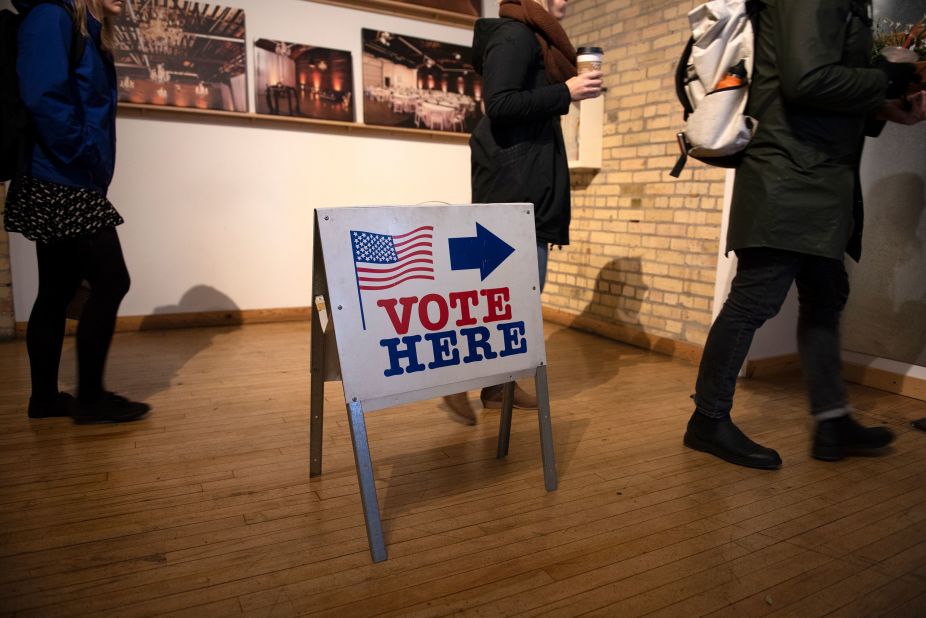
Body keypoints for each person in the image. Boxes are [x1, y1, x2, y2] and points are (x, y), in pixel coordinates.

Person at [683, 0, 926, 468]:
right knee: (754, 300)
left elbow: (822, 87)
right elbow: (806, 81)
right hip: (789, 176)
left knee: (826, 294)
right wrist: (893, 76)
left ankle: (832, 421)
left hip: (817, 175)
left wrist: (886, 110)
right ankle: (707, 420)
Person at [443, 0, 602, 424]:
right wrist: (565, 91)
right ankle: (456, 383)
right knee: (502, 299)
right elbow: (500, 104)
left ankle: (498, 386)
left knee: (512, 299)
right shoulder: (514, 36)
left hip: (521, 186)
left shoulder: (531, 40)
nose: (565, 3)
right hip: (513, 190)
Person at [4, 0, 150, 423]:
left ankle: (45, 399)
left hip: (69, 175)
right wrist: (83, 151)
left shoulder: (86, 28)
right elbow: (41, 94)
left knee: (56, 290)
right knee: (112, 280)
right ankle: (90, 399)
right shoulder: (52, 16)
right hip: (58, 176)